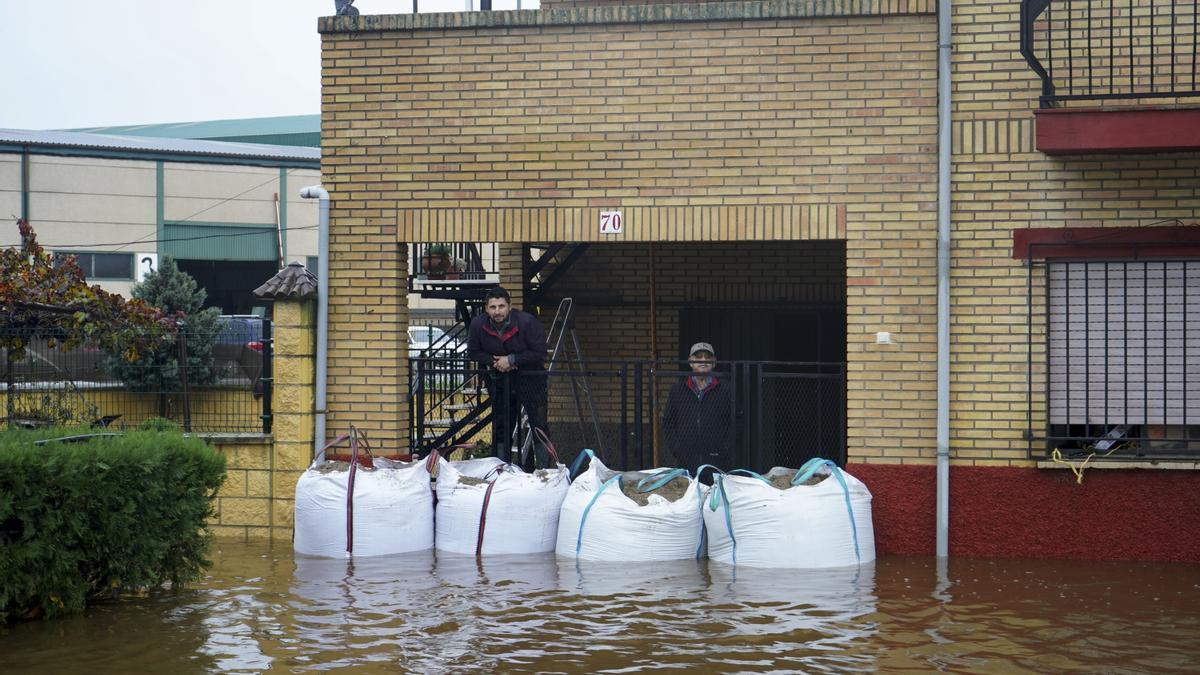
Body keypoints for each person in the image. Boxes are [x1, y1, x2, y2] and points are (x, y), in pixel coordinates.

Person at [466, 287, 549, 468]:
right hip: (499, 379)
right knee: (502, 425)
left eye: (501, 306)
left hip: (531, 379)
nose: (497, 311)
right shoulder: (478, 324)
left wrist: (511, 360)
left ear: (509, 306)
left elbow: (540, 351)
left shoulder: (527, 322)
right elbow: (472, 351)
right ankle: (500, 469)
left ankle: (545, 471)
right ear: (486, 308)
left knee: (538, 424)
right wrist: (494, 361)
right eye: (493, 307)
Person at [663, 342, 734, 482]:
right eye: (698, 357)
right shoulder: (678, 390)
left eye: (707, 357)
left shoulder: (726, 389)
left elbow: (736, 420)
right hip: (686, 460)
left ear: (713, 362)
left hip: (717, 460)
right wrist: (677, 448)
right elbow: (668, 421)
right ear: (690, 362)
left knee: (715, 499)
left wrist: (725, 448)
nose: (703, 360)